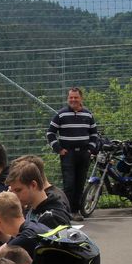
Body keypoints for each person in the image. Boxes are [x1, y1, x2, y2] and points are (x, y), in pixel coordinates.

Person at [46, 87, 98, 221]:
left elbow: (94, 134)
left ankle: (75, 211)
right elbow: (50, 133)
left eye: (76, 97)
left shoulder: (88, 115)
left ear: (81, 98)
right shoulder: (61, 114)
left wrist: (90, 149)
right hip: (68, 154)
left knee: (80, 184)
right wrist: (58, 149)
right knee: (69, 184)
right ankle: (66, 212)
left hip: (84, 154)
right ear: (67, 98)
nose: (73, 100)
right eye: (71, 97)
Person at [6, 160, 71, 229]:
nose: (14, 196)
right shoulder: (33, 208)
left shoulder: (52, 218)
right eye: (12, 191)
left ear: (33, 185)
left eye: (18, 190)